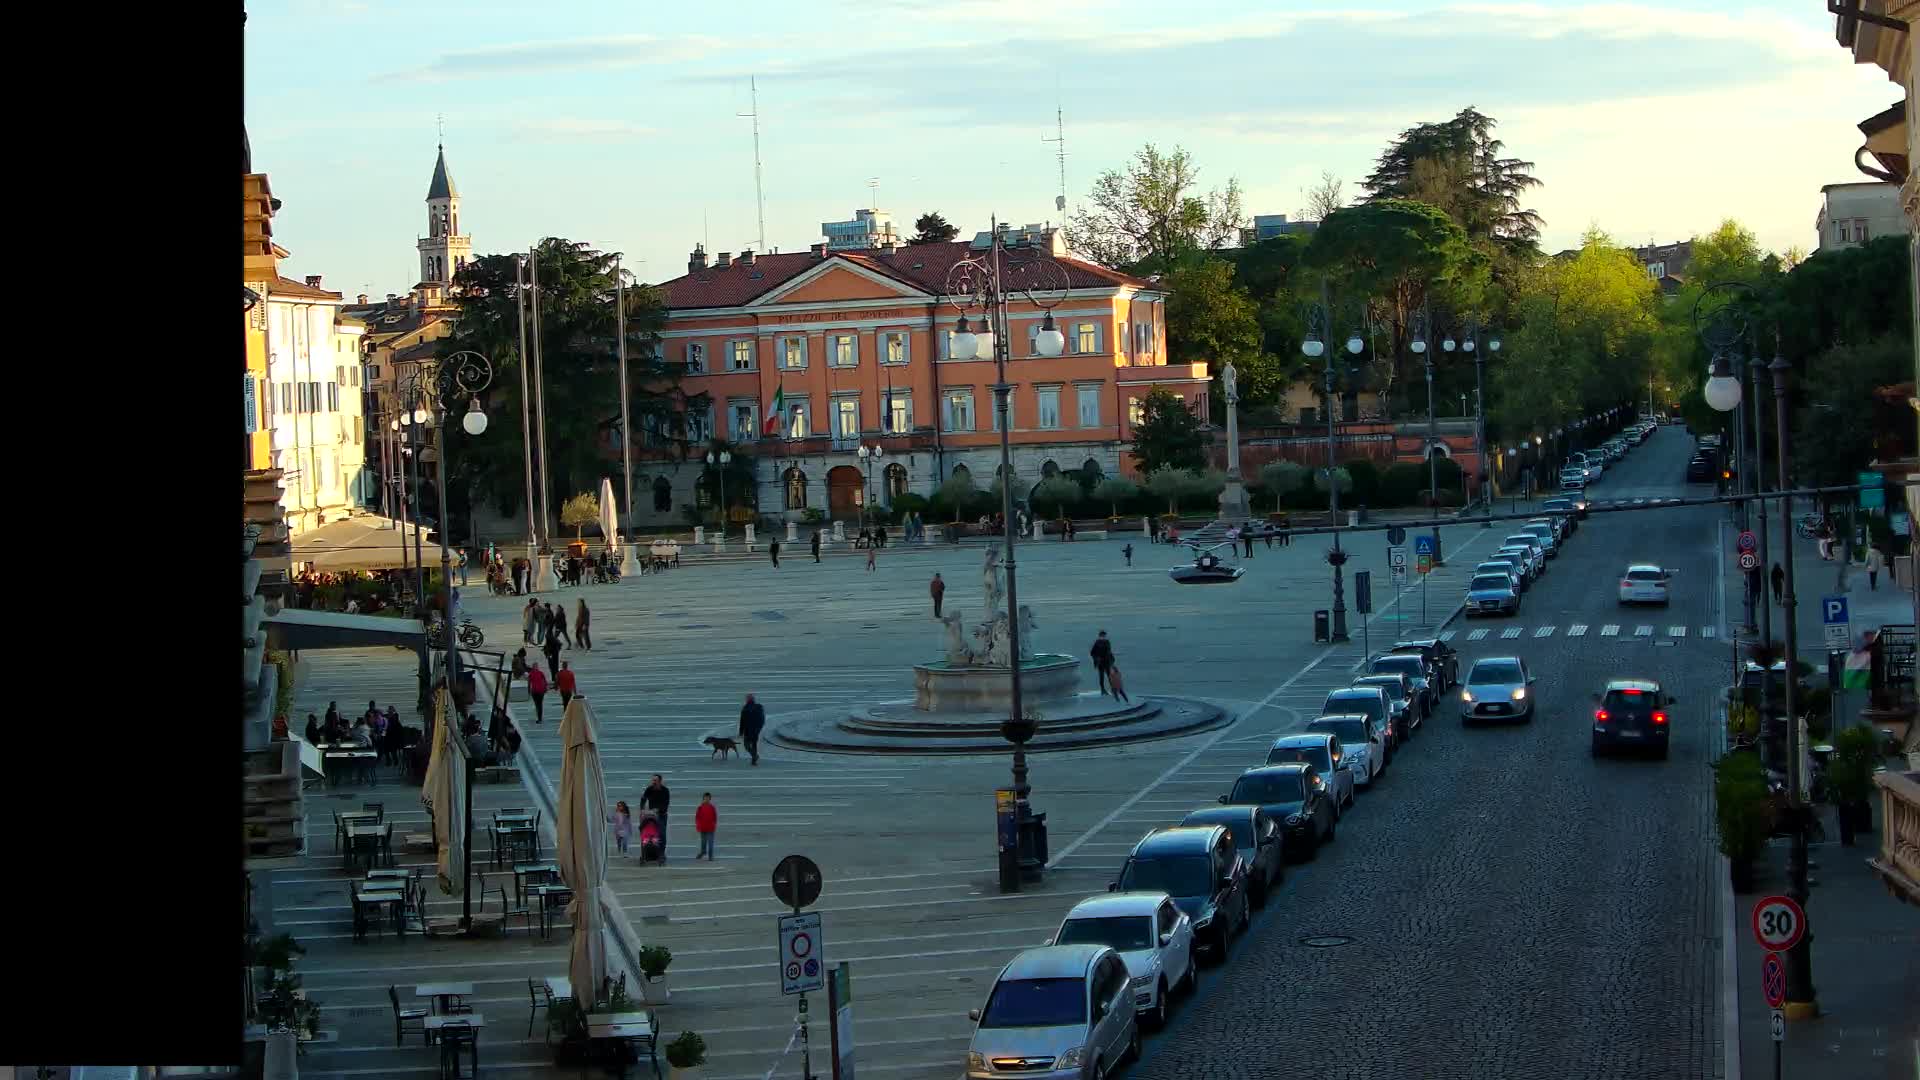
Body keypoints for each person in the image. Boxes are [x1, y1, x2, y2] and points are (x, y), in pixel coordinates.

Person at [641, 775, 671, 855]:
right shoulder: (649, 789)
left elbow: (666, 803)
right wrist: (642, 809)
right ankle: (650, 852)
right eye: (653, 780)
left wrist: (658, 809)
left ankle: (662, 853)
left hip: (661, 815)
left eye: (655, 780)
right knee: (650, 833)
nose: (653, 782)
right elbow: (643, 798)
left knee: (662, 834)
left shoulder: (665, 790)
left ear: (660, 781)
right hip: (652, 815)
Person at [739, 694, 767, 765]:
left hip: (747, 730)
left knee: (747, 745)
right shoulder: (759, 707)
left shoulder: (745, 708)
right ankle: (754, 758)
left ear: (747, 700)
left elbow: (742, 721)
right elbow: (762, 719)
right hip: (755, 730)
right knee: (754, 744)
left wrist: (741, 731)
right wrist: (759, 728)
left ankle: (754, 756)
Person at [1090, 631, 1115, 696]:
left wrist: (1112, 660)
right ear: (1101, 636)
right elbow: (1092, 653)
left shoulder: (1104, 642)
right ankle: (1104, 690)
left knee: (1106, 676)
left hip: (1105, 662)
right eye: (1103, 636)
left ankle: (1109, 689)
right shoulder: (1100, 642)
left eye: (1104, 636)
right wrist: (1097, 659)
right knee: (1104, 676)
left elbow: (1109, 652)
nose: (1103, 637)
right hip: (1103, 662)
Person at [694, 793, 718, 860]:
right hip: (703, 828)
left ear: (710, 799)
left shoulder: (712, 808)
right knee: (703, 842)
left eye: (708, 798)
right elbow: (697, 818)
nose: (706, 800)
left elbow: (715, 817)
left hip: (710, 828)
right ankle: (703, 852)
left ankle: (710, 856)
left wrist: (714, 825)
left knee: (710, 843)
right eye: (705, 798)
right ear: (703, 799)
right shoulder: (700, 808)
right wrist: (698, 826)